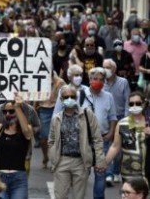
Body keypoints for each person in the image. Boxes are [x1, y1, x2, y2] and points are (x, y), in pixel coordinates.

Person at [48, 85, 106, 199]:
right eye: (66, 97)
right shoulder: (56, 118)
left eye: (72, 96)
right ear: (61, 99)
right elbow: (51, 140)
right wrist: (53, 157)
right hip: (61, 161)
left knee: (79, 196)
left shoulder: (87, 114)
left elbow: (97, 139)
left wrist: (100, 160)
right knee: (60, 196)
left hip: (81, 161)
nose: (69, 99)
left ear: (76, 97)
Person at [0, 93, 33, 199]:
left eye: (11, 111)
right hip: (0, 177)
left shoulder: (26, 130)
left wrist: (17, 106)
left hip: (18, 178)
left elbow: (26, 129)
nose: (8, 114)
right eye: (5, 112)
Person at [81, 67, 117, 196]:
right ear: (90, 79)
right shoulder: (81, 95)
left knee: (100, 173)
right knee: (82, 174)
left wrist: (111, 132)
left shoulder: (108, 97)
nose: (98, 81)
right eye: (95, 78)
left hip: (102, 140)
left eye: (101, 79)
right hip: (84, 140)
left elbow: (113, 117)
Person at [106, 92, 150, 184]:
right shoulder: (122, 124)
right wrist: (103, 163)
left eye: (138, 103)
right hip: (129, 172)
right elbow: (115, 146)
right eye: (131, 104)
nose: (134, 106)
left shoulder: (148, 121)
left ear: (144, 104)